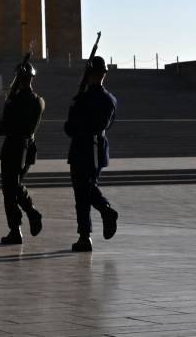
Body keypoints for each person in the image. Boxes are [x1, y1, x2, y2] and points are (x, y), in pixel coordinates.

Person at [64, 55, 120, 252]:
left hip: (82, 148)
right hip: (99, 147)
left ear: (88, 75)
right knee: (88, 187)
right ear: (104, 74)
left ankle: (97, 221)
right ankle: (88, 232)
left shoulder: (82, 99)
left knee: (83, 192)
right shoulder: (110, 99)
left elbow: (70, 128)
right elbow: (109, 124)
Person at [0, 60, 45, 244]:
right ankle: (31, 214)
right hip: (29, 148)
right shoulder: (39, 101)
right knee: (14, 185)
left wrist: (0, 123)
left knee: (9, 189)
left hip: (13, 148)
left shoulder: (14, 101)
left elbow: (4, 126)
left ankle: (17, 228)